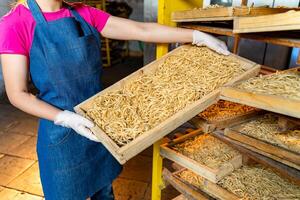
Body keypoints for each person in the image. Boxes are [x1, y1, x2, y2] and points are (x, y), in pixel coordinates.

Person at [0, 0, 229, 199]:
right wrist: (66, 118)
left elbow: (141, 30)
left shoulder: (82, 13)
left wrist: (195, 36)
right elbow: (17, 94)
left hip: (101, 126)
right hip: (61, 137)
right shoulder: (15, 23)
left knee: (104, 191)